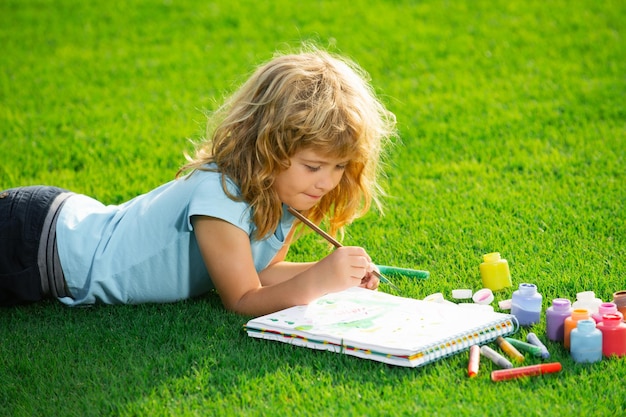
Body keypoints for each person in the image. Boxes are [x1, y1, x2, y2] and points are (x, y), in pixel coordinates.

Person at [0, 47, 397, 315]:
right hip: (36, 244)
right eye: (313, 166)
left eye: (340, 167)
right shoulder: (220, 194)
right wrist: (319, 280)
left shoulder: (286, 195)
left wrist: (333, 274)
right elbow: (242, 297)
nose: (326, 182)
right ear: (268, 146)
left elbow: (259, 273)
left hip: (54, 233)